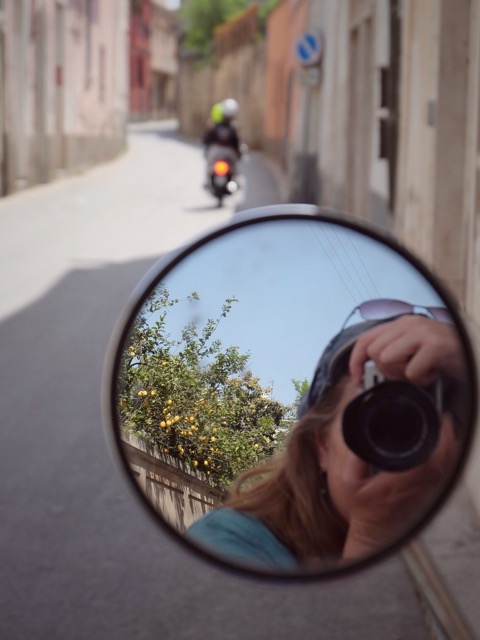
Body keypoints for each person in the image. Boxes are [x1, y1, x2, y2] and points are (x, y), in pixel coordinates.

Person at [185, 301, 468, 571]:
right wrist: (372, 538)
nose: (404, 438)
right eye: (381, 420)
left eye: (431, 418)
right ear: (321, 446)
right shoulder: (230, 542)